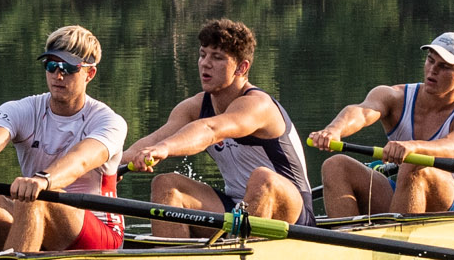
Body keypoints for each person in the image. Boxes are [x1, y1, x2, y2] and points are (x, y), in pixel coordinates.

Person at [0, 25, 129, 256]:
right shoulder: (22, 109)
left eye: (68, 68)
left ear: (89, 73)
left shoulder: (109, 122)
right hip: (35, 217)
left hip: (99, 238)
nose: (58, 75)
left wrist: (44, 180)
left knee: (38, 196)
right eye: (51, 66)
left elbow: (80, 161)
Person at [119, 18, 313, 237]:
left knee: (263, 178)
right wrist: (110, 164)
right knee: (166, 184)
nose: (205, 63)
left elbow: (210, 130)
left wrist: (165, 149)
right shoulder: (194, 106)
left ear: (242, 67)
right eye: (203, 55)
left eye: (217, 57)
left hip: (293, 214)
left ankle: (237, 257)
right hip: (234, 207)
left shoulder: (258, 105)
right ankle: (172, 259)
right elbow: (155, 139)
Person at [308, 32, 454, 218]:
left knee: (414, 161)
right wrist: (334, 130)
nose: (432, 70)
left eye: (444, 67)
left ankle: (397, 243)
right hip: (408, 190)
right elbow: (361, 112)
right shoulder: (394, 96)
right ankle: (347, 239)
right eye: (430, 60)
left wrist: (413, 146)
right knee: (335, 165)